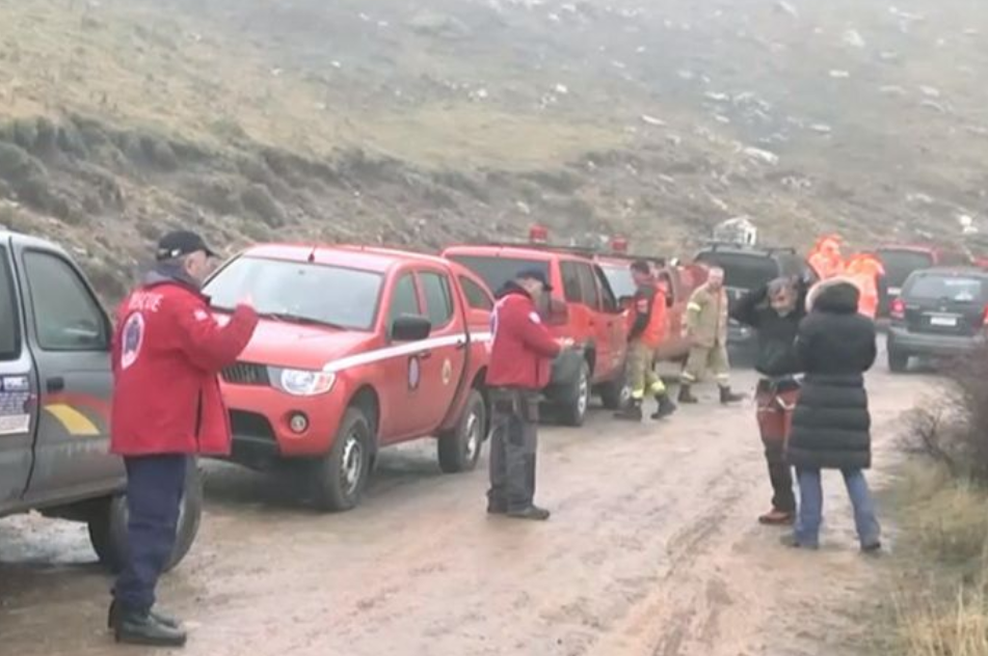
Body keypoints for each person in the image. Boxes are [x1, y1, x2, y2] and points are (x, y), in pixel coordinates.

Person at [108, 231, 259, 646]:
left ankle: (130, 604)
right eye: (205, 262)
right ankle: (134, 612)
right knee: (156, 524)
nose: (208, 269)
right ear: (190, 263)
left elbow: (116, 353)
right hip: (162, 430)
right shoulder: (178, 304)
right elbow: (217, 349)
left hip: (140, 426)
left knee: (146, 519)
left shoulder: (138, 299)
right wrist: (246, 314)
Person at [784, 277, 881, 551]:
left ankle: (807, 534)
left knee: (808, 467)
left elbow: (800, 358)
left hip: (815, 396)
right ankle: (869, 533)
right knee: (852, 469)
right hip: (851, 396)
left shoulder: (811, 323)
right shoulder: (865, 325)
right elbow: (868, 360)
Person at [486, 269, 570, 521]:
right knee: (520, 445)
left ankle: (499, 498)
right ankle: (519, 501)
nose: (542, 296)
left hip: (503, 386)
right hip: (518, 388)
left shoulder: (502, 304)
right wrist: (561, 346)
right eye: (542, 289)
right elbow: (543, 343)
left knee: (502, 444)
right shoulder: (520, 307)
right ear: (530, 284)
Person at [732, 276, 809, 525]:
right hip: (768, 387)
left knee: (795, 450)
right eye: (775, 295)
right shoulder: (764, 317)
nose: (779, 298)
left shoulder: (804, 319)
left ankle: (810, 509)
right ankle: (783, 504)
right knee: (773, 451)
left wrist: (801, 286)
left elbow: (813, 303)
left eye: (784, 294)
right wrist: (763, 288)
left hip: (794, 387)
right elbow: (738, 310)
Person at [616, 260, 677, 421]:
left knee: (637, 371)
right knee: (647, 371)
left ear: (641, 273)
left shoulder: (644, 291)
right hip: (653, 337)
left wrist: (632, 334)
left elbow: (642, 317)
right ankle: (664, 401)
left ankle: (635, 407)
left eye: (634, 274)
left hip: (642, 337)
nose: (632, 278)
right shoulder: (657, 291)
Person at [679, 267, 744, 404]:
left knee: (722, 365)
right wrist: (693, 333)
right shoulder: (700, 293)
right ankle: (684, 391)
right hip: (701, 337)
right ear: (708, 277)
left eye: (719, 278)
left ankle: (725, 392)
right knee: (694, 366)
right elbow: (691, 314)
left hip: (718, 338)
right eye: (714, 278)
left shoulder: (722, 293)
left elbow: (722, 314)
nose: (716, 281)